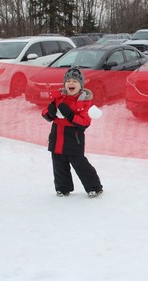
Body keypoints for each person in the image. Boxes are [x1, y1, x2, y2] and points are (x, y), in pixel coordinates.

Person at [42, 66, 103, 198]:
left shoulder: (84, 101)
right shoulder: (58, 98)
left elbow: (85, 122)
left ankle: (94, 187)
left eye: (75, 81)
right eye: (68, 80)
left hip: (74, 140)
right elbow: (46, 113)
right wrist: (49, 113)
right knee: (59, 165)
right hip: (57, 137)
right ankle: (63, 188)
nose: (71, 83)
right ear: (64, 83)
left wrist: (69, 115)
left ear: (81, 85)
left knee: (80, 165)